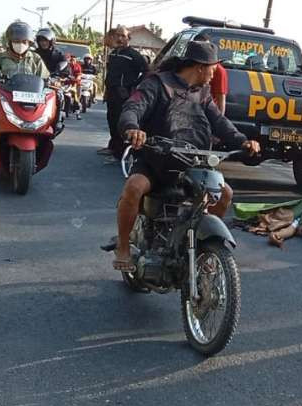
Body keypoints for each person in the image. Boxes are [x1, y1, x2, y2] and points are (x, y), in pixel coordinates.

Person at [108, 41, 260, 271]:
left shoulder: (203, 95)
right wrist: (132, 127)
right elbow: (133, 108)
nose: (214, 74)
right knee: (134, 187)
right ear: (200, 67)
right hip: (157, 161)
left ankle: (203, 246)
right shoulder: (157, 84)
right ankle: (123, 246)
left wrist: (243, 141)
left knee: (224, 193)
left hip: (193, 164)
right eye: (212, 68)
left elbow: (220, 123)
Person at [101, 25, 150, 159]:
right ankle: (113, 147)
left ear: (128, 38)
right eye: (117, 35)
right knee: (111, 119)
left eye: (123, 36)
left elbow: (147, 71)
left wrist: (133, 86)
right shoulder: (114, 53)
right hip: (112, 92)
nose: (120, 38)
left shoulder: (133, 55)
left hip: (124, 94)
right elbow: (110, 75)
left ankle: (120, 153)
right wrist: (106, 91)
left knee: (119, 122)